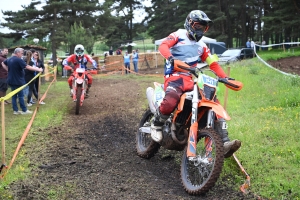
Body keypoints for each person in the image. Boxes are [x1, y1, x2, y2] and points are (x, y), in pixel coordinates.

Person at [153, 10, 241, 158]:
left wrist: (225, 78)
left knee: (212, 99)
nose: (200, 30)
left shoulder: (202, 45)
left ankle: (224, 142)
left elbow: (213, 64)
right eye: (198, 26)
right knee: (172, 97)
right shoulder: (178, 35)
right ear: (189, 23)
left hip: (191, 77)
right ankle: (156, 124)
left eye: (203, 28)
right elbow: (163, 46)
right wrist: (170, 58)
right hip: (175, 75)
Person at [2, 48, 43, 114]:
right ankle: (24, 110)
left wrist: (8, 70)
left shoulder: (10, 59)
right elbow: (27, 67)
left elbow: (3, 63)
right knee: (21, 96)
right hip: (17, 81)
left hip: (11, 80)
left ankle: (15, 110)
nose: (22, 54)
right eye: (21, 53)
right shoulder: (18, 60)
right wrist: (39, 70)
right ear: (17, 53)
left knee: (14, 96)